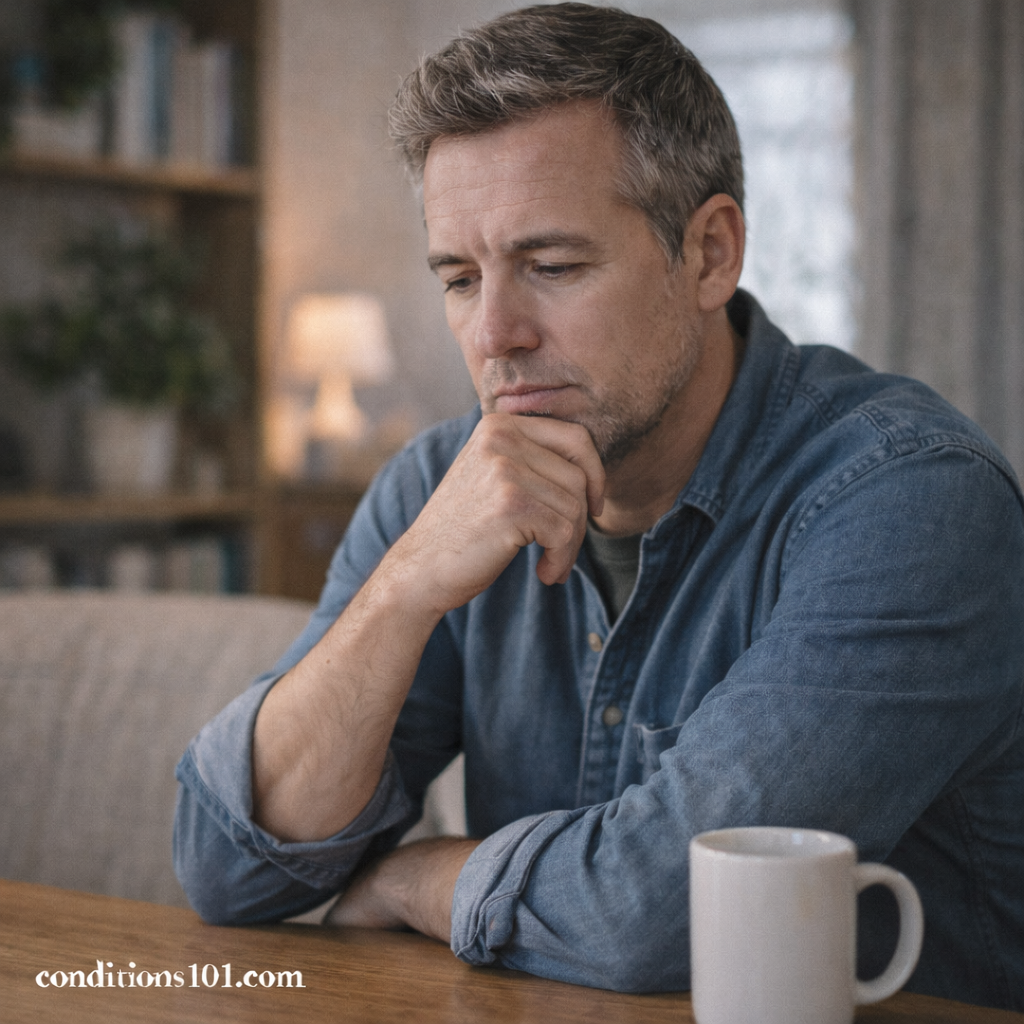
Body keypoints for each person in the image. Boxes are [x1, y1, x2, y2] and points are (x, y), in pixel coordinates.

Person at [173, 3, 1024, 1009]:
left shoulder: (913, 501)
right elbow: (230, 870)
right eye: (459, 277)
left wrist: (414, 876)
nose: (494, 333)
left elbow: (659, 912)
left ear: (709, 253)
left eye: (553, 266)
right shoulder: (440, 485)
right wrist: (401, 589)